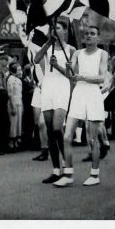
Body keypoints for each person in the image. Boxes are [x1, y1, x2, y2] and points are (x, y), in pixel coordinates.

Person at [53, 26, 108, 187]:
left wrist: (82, 76)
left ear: (98, 37)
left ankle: (94, 174)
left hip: (93, 95)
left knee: (92, 139)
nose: (89, 36)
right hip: (78, 94)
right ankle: (68, 174)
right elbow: (71, 76)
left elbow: (101, 78)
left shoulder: (103, 54)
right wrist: (59, 66)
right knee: (67, 136)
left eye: (92, 34)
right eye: (86, 34)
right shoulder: (77, 53)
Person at [34, 20, 75, 183]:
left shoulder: (71, 50)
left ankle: (68, 166)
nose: (55, 30)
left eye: (58, 28)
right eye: (53, 28)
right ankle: (56, 170)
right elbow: (36, 60)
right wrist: (48, 42)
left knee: (58, 128)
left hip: (62, 87)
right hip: (48, 86)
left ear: (65, 31)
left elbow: (72, 75)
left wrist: (57, 66)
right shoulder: (47, 46)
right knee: (50, 131)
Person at [6, 62, 23, 151]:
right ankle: (11, 143)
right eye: (19, 70)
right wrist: (13, 106)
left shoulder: (19, 80)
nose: (20, 71)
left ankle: (16, 142)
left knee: (18, 124)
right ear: (13, 71)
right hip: (13, 103)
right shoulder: (11, 79)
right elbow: (10, 93)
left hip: (19, 103)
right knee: (13, 124)